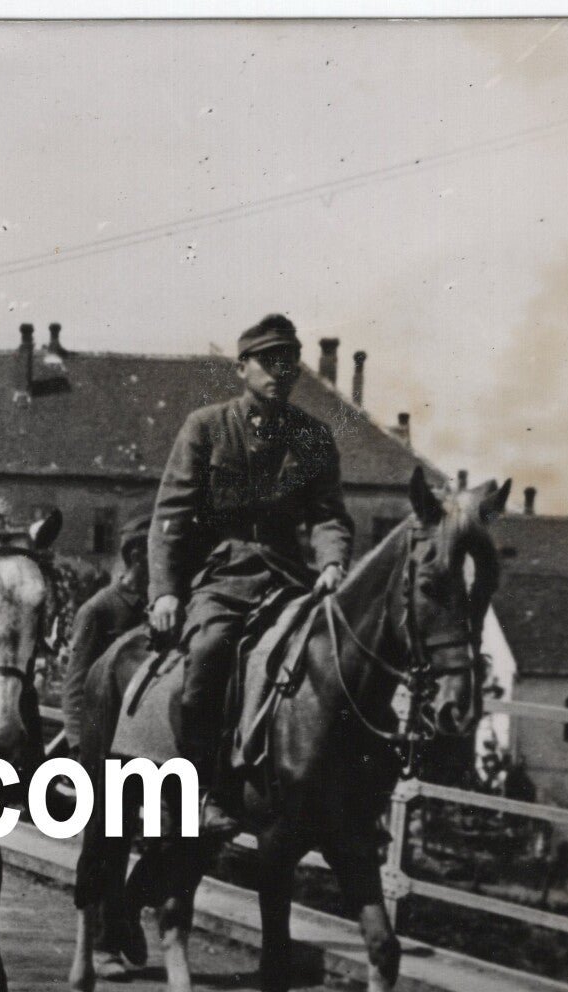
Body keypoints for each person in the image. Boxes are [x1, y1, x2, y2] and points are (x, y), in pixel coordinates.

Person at [146, 313, 353, 825]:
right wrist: (165, 590)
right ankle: (197, 788)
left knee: (332, 660)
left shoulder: (313, 438)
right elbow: (171, 516)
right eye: (268, 361)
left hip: (289, 578)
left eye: (289, 363)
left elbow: (328, 515)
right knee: (209, 651)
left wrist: (332, 562)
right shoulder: (207, 427)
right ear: (242, 368)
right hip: (222, 575)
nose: (279, 372)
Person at [59, 509, 152, 755]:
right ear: (137, 557)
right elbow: (75, 685)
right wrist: (78, 747)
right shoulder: (97, 610)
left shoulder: (155, 605)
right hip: (102, 738)